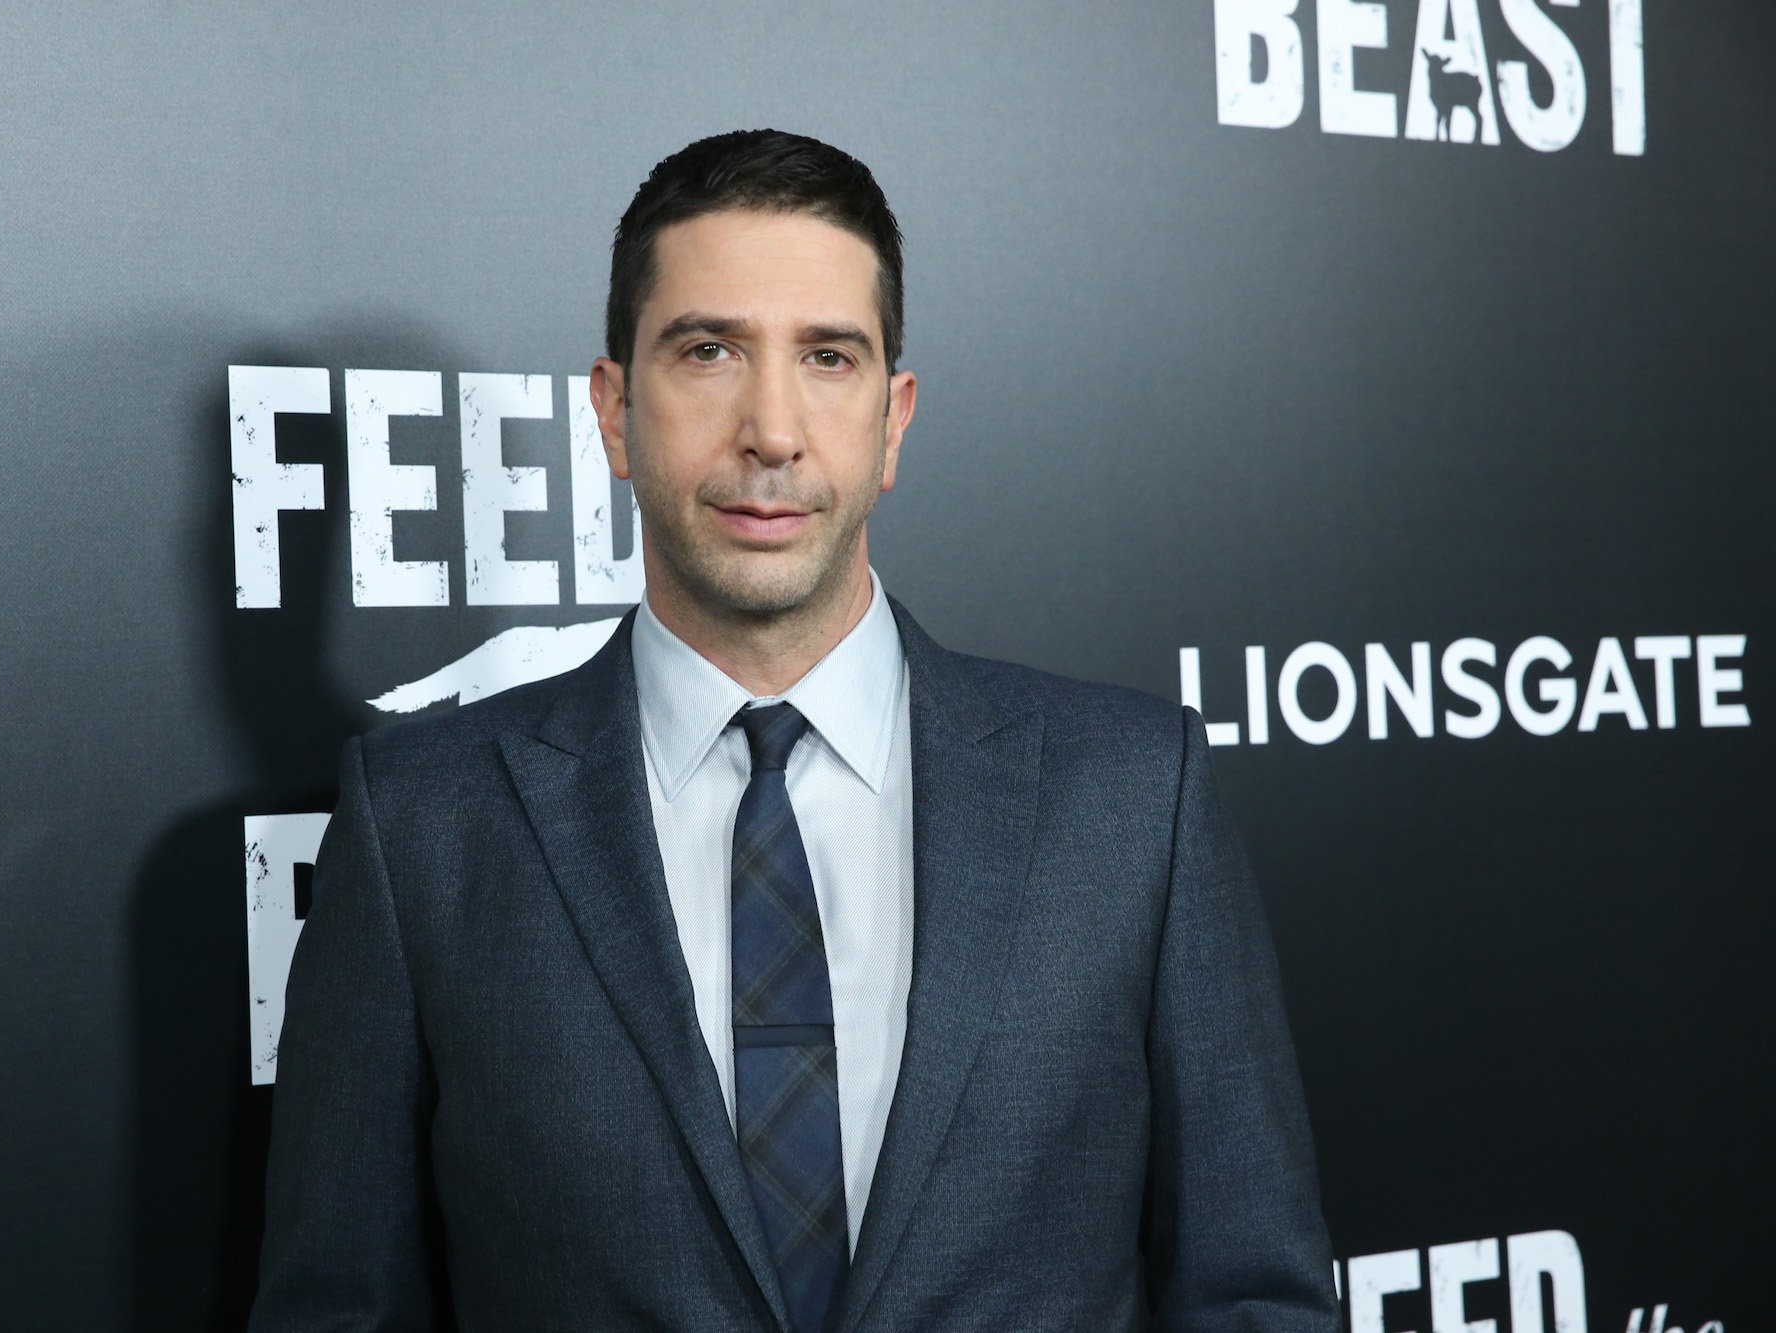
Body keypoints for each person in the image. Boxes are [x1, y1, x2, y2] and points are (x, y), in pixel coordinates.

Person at [251, 129, 1339, 1331]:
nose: (770, 430)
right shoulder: (423, 825)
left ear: (892, 421)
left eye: (827, 356)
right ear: (613, 412)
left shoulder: (1134, 799)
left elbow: (1252, 1292)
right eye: (707, 350)